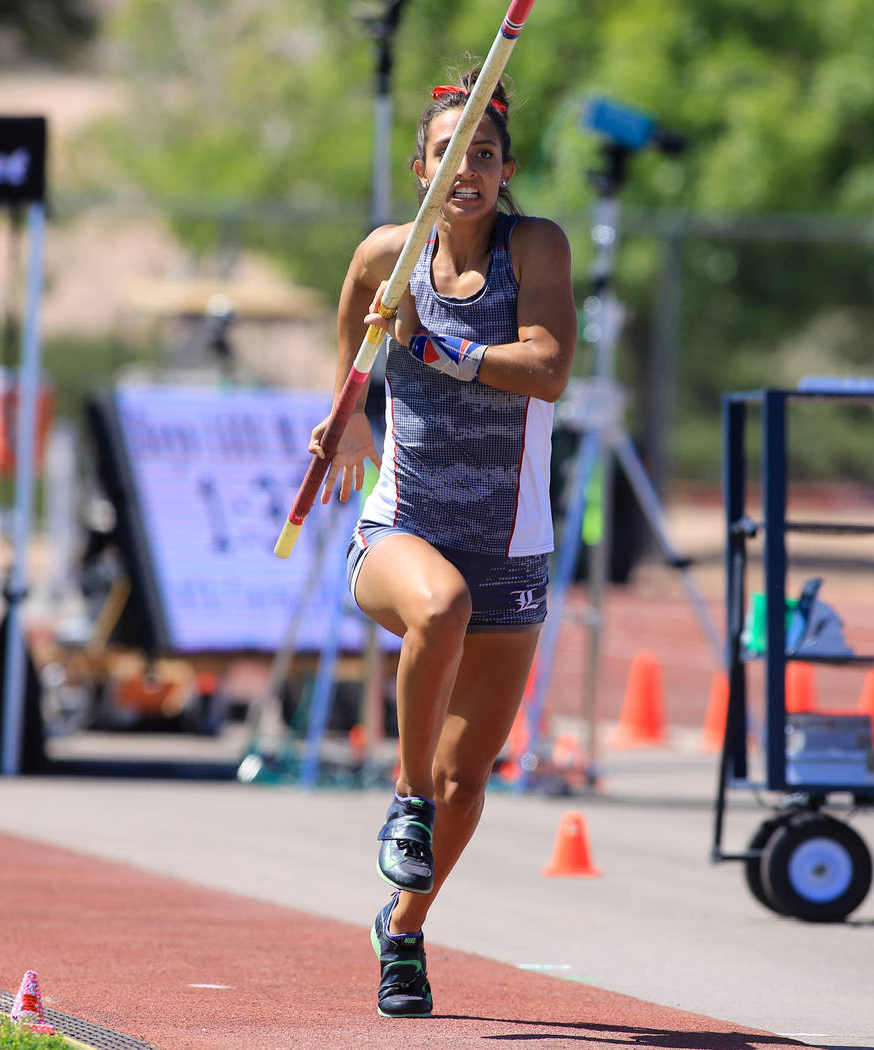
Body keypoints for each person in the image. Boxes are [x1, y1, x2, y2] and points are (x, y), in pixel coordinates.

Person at [308, 68, 577, 1017]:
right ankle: (404, 798)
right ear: (422, 168)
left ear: (508, 170)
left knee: (474, 782)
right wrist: (348, 416)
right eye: (448, 156)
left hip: (511, 543)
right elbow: (354, 300)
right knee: (440, 608)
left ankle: (404, 930)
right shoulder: (392, 253)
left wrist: (438, 352)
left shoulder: (534, 246)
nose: (467, 171)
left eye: (486, 156)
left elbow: (546, 371)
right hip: (403, 527)